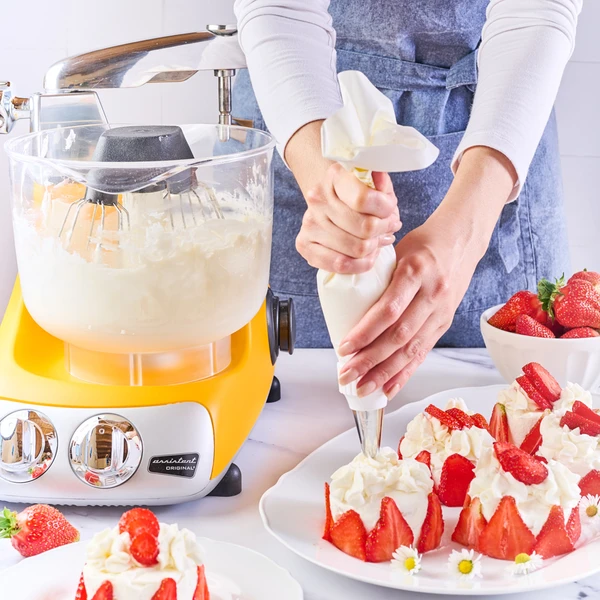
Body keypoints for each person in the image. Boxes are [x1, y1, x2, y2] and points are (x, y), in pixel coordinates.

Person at [232, 0, 582, 399]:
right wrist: (325, 180)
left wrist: (466, 233)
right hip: (302, 114)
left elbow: (536, 10)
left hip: (500, 132)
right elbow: (282, 9)